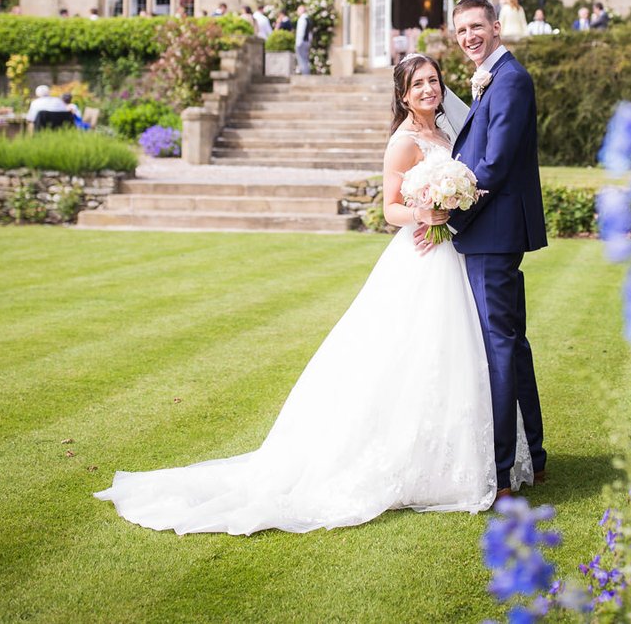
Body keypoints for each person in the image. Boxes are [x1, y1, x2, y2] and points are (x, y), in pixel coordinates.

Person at [93, 51, 529, 534]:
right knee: (411, 354)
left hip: (454, 256)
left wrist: (452, 202)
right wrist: (424, 214)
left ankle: (465, 456)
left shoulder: (449, 133)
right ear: (403, 94)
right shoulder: (403, 142)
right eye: (418, 83)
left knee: (457, 355)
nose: (428, 89)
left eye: (433, 80)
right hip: (422, 257)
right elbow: (389, 209)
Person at [437, 0, 549, 501]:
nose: (468, 37)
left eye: (476, 27)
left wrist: (450, 214)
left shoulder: (510, 80)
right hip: (494, 231)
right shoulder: (489, 80)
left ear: (498, 27)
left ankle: (503, 474)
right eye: (461, 31)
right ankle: (536, 457)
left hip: (493, 233)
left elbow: (496, 164)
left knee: (499, 349)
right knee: (512, 345)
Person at [294, 4, 312, 76]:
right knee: (305, 59)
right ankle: (306, 74)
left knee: (302, 60)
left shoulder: (302, 19)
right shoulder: (308, 19)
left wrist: (298, 43)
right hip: (307, 42)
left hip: (302, 42)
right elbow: (310, 33)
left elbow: (300, 32)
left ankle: (305, 76)